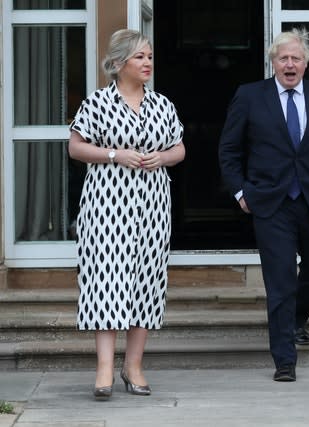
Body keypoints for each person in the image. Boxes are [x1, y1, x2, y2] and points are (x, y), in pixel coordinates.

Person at [218, 27, 309, 382]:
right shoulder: (249, 96)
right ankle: (284, 360)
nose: (289, 64)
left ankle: (293, 320)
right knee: (280, 281)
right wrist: (241, 193)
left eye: (296, 58)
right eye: (283, 58)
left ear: (306, 63)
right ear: (272, 62)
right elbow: (229, 150)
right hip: (270, 203)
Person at [68, 29, 185, 400]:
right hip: (107, 207)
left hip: (153, 206)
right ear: (119, 63)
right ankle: (104, 367)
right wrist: (115, 154)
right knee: (108, 281)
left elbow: (178, 148)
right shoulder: (98, 102)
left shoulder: (162, 105)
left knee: (146, 283)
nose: (147, 62)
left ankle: (133, 366)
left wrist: (161, 157)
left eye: (149, 56)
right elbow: (76, 147)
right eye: (139, 57)